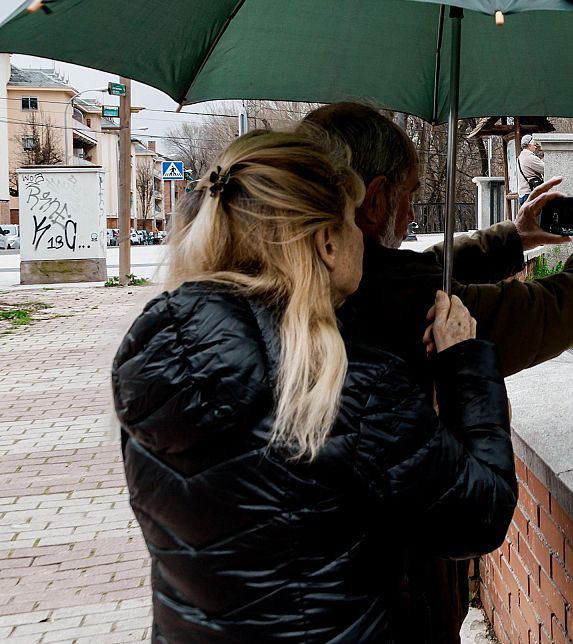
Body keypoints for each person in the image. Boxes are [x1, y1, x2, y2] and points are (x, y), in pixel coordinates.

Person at [112, 131, 516, 642]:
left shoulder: (152, 364)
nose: (360, 236)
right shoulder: (348, 392)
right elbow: (479, 516)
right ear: (326, 243)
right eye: (351, 220)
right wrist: (464, 364)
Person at [296, 102, 573, 642]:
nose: (413, 214)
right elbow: (552, 310)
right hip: (393, 605)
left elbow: (424, 265)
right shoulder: (390, 298)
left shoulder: (281, 288)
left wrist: (517, 236)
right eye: (410, 195)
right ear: (373, 200)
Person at [515, 134, 545, 207]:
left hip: (523, 193)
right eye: (534, 144)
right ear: (529, 145)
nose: (535, 146)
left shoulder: (520, 156)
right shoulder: (530, 157)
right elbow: (546, 169)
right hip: (530, 193)